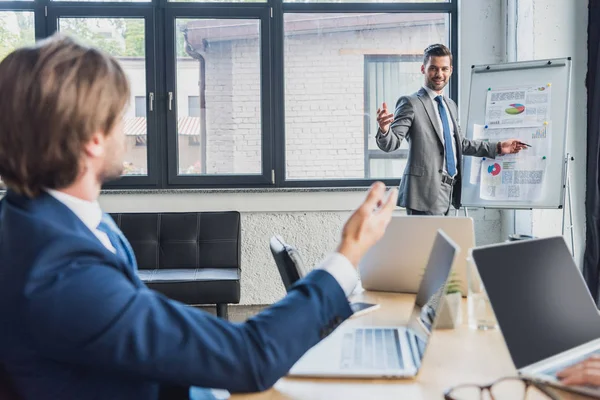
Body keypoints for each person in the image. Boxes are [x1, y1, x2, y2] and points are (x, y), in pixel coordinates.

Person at [0, 35, 398, 400]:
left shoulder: (49, 219)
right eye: (119, 118)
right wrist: (349, 253)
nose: (130, 130)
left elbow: (142, 344)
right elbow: (248, 358)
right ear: (93, 141)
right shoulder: (60, 272)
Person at [375, 43, 527, 215]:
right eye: (433, 68)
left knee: (441, 241)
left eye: (444, 69)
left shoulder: (450, 105)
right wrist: (384, 129)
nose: (439, 74)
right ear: (423, 69)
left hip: (450, 189)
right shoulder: (411, 103)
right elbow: (391, 143)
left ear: (451, 70)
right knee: (426, 242)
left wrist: (499, 147)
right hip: (424, 192)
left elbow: (460, 143)